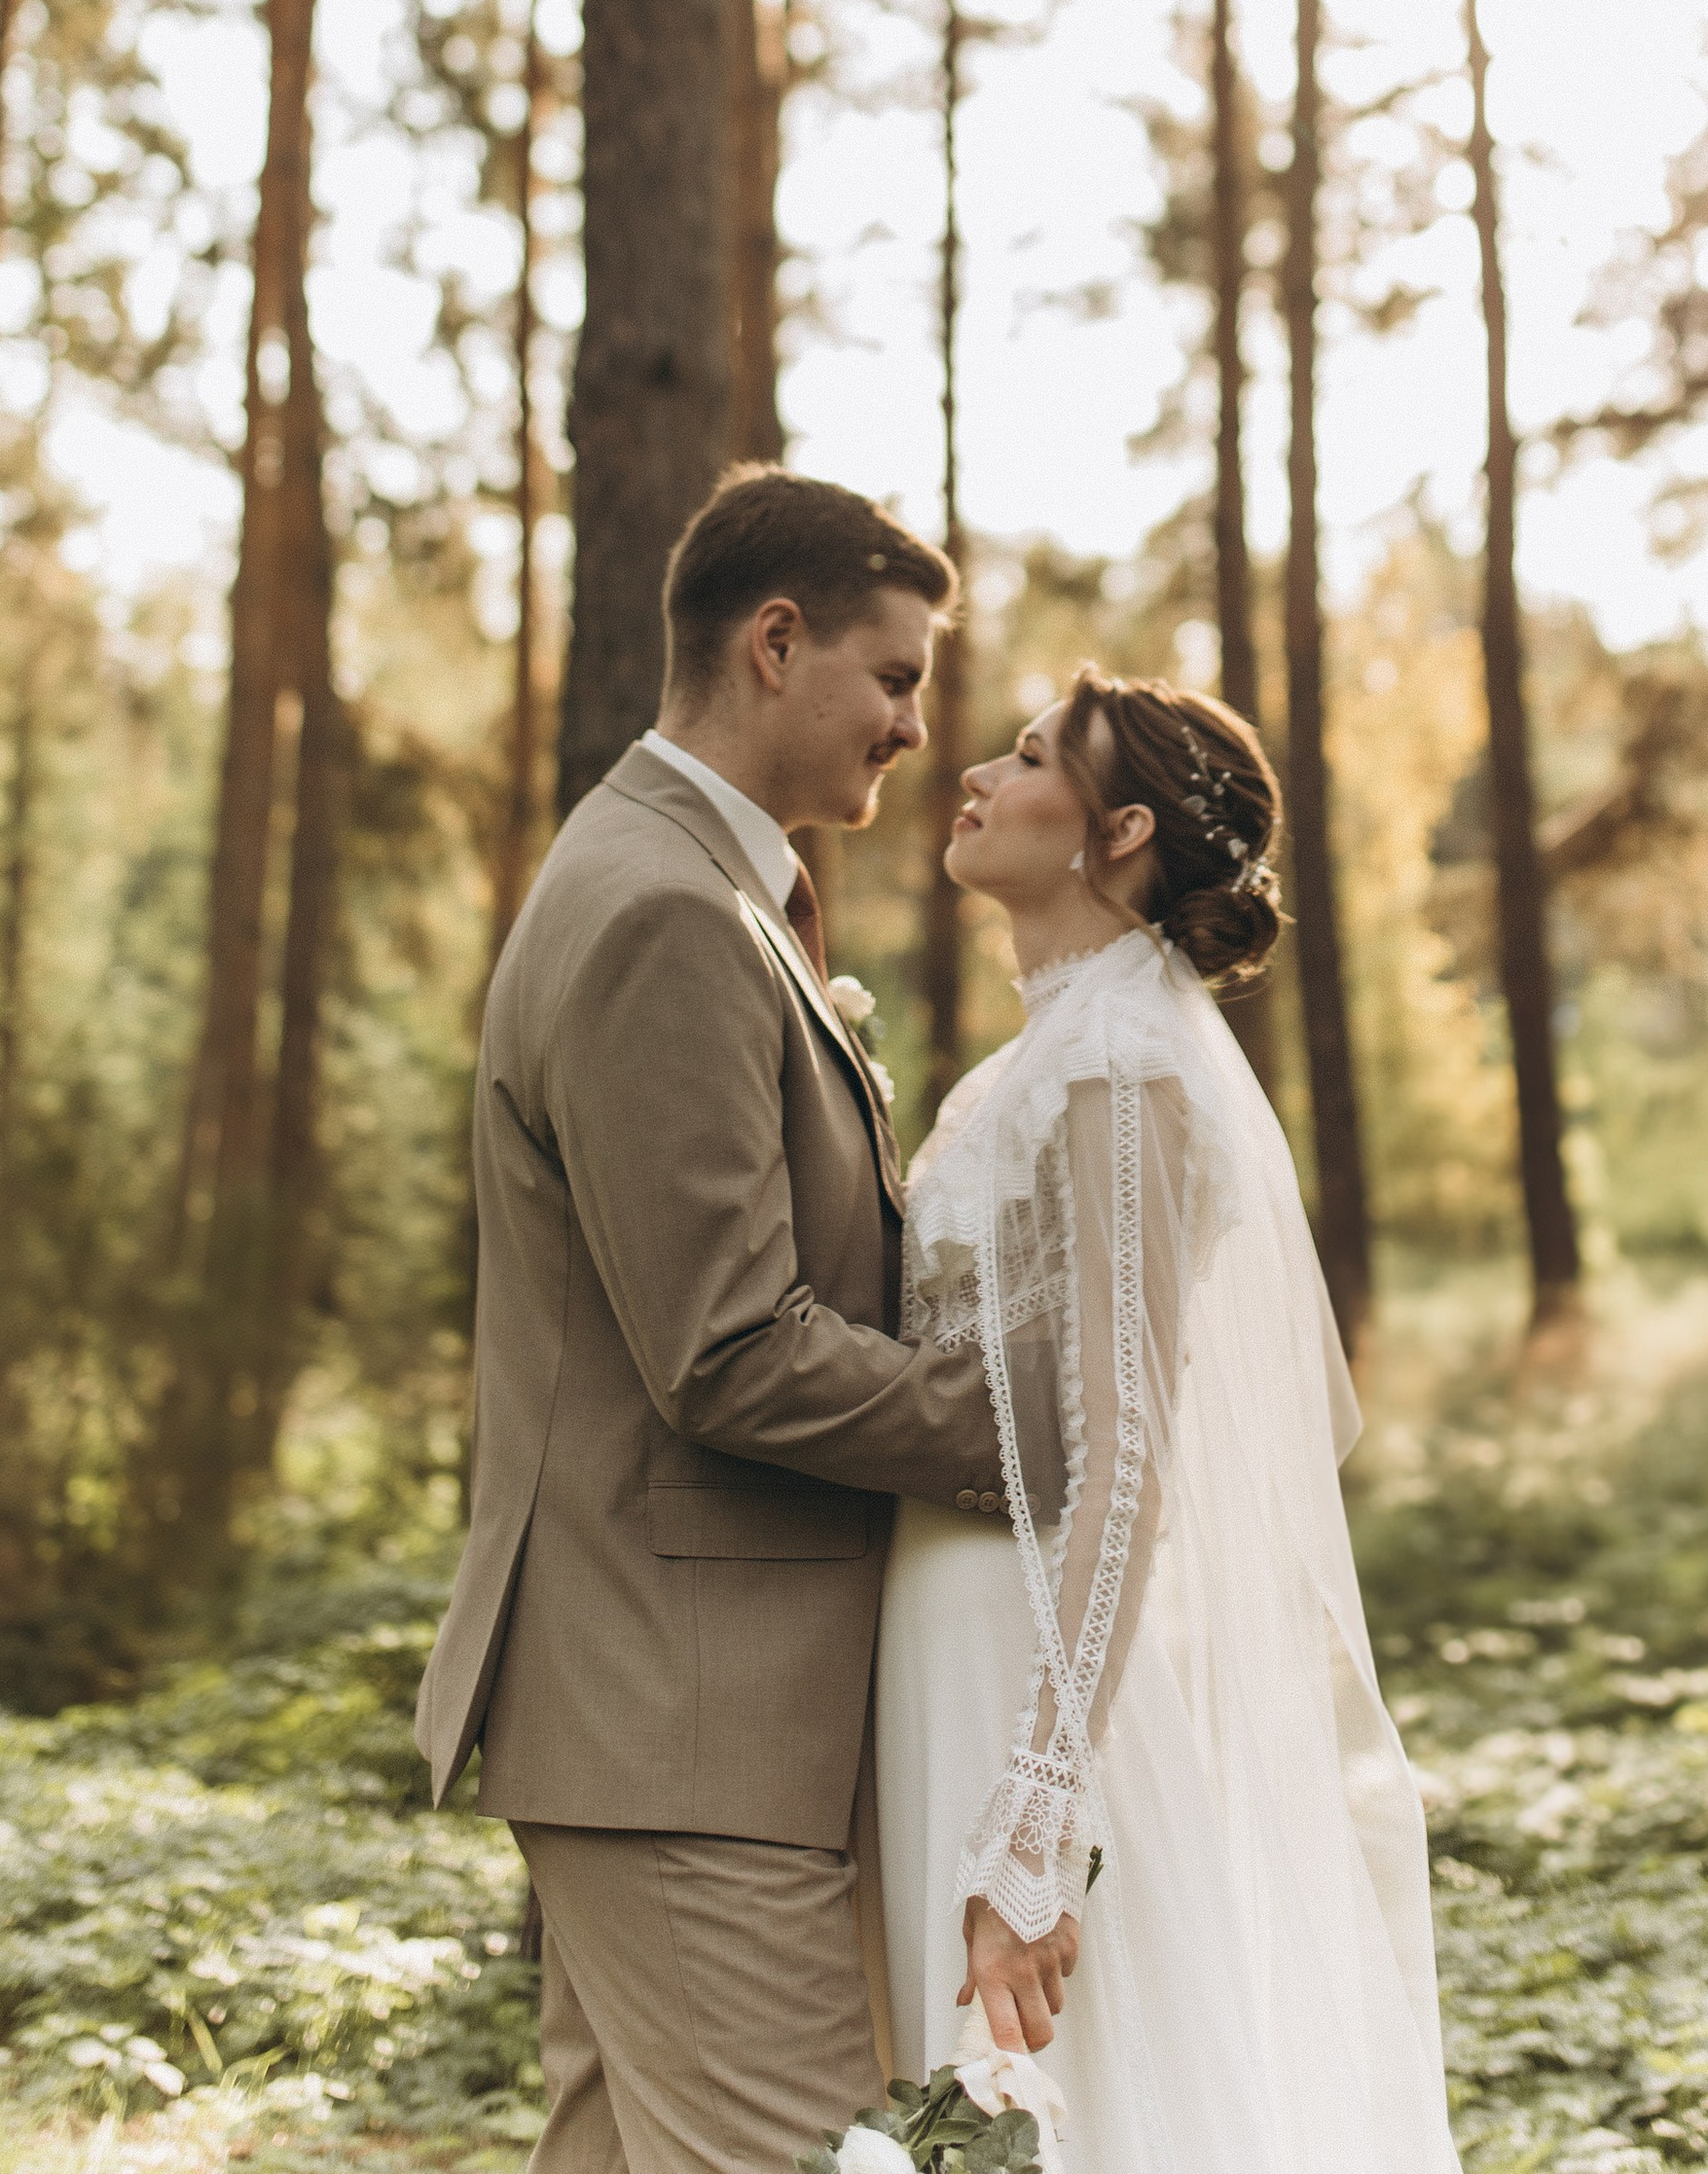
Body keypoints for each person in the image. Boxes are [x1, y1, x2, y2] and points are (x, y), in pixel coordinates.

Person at [414, 465, 1071, 2174]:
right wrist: (1034, 1425)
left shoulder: (701, 886)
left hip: (679, 1718)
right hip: (683, 1720)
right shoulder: (663, 911)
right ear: (777, 643)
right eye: (900, 677)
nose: (919, 730)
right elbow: (726, 1347)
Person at [877, 669, 1459, 2174]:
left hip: (1026, 1656)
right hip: (945, 1625)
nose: (977, 781)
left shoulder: (1121, 1058)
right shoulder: (1049, 1049)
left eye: (1024, 760)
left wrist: (1035, 1817)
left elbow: (1126, 1443)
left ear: (1117, 827)